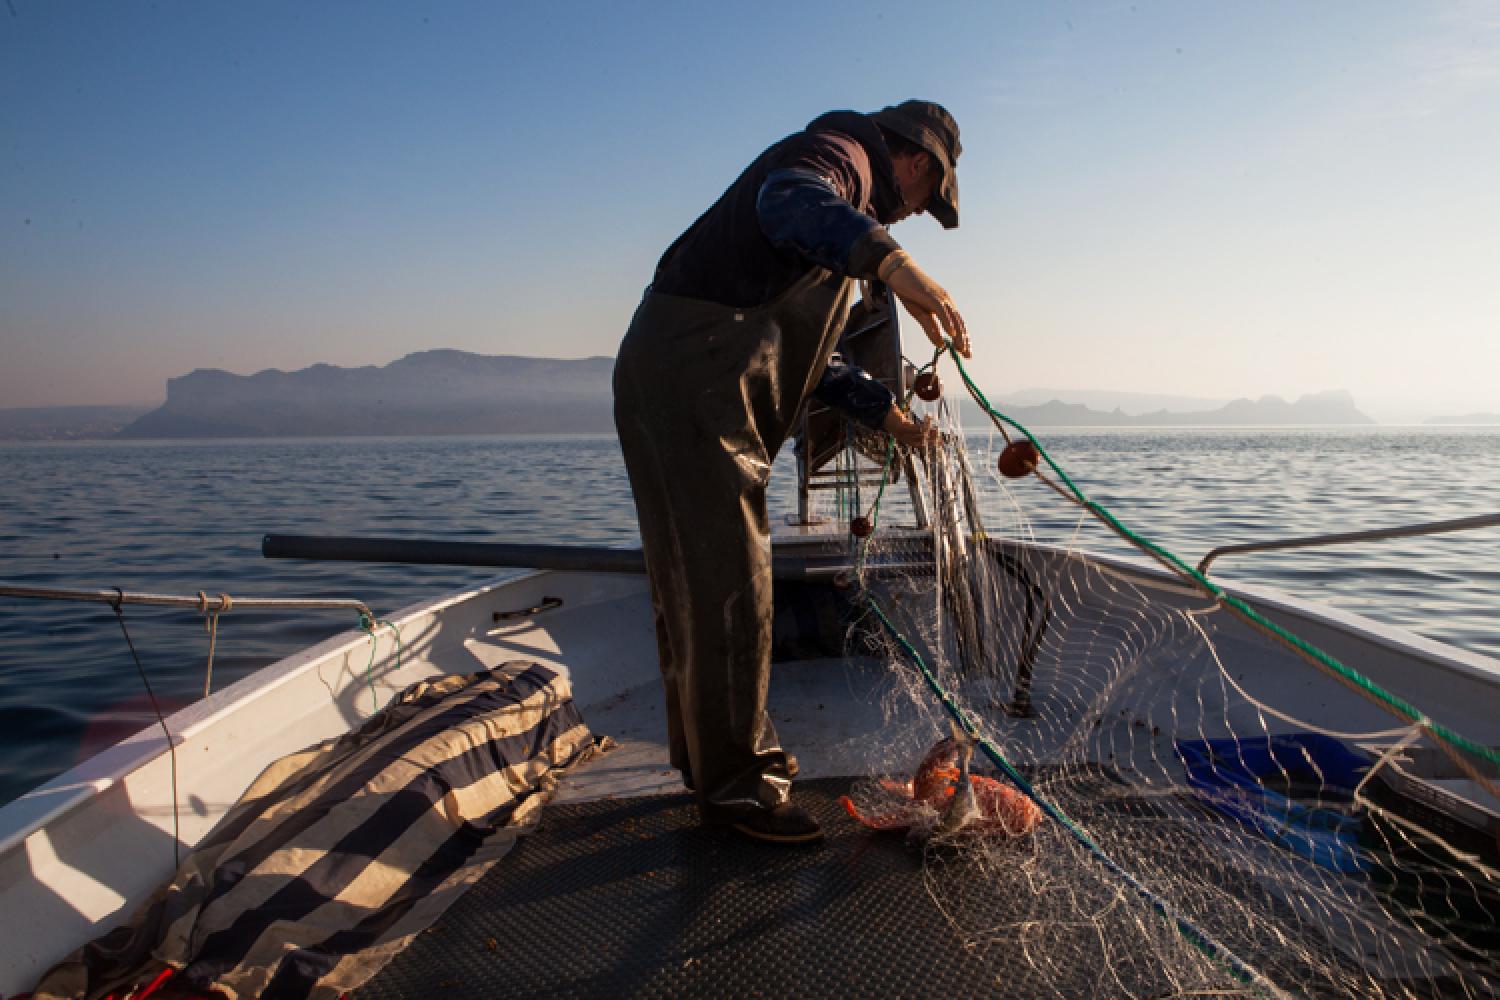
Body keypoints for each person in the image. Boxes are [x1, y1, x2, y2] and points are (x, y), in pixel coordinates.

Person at [613, 101, 971, 843]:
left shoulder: (841, 231)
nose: (912, 215)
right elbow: (789, 197)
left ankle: (709, 768)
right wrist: (896, 266)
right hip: (695, 381)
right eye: (924, 197)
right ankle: (739, 792)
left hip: (684, 379)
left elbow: (820, 365)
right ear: (916, 162)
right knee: (729, 581)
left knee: (695, 579)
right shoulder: (840, 157)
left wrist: (889, 417)